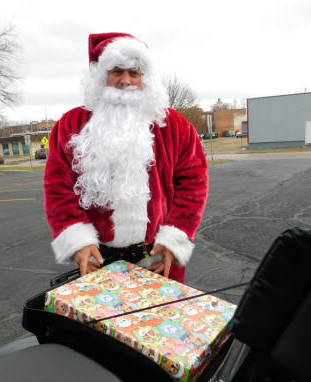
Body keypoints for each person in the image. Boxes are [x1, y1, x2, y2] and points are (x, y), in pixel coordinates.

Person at [43, 32, 208, 283]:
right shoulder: (70, 124)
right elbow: (58, 189)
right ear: (102, 75)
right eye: (117, 71)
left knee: (163, 311)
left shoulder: (174, 125)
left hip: (158, 260)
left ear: (145, 77)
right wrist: (78, 242)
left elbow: (194, 184)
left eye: (134, 73)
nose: (126, 80)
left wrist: (174, 241)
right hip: (97, 261)